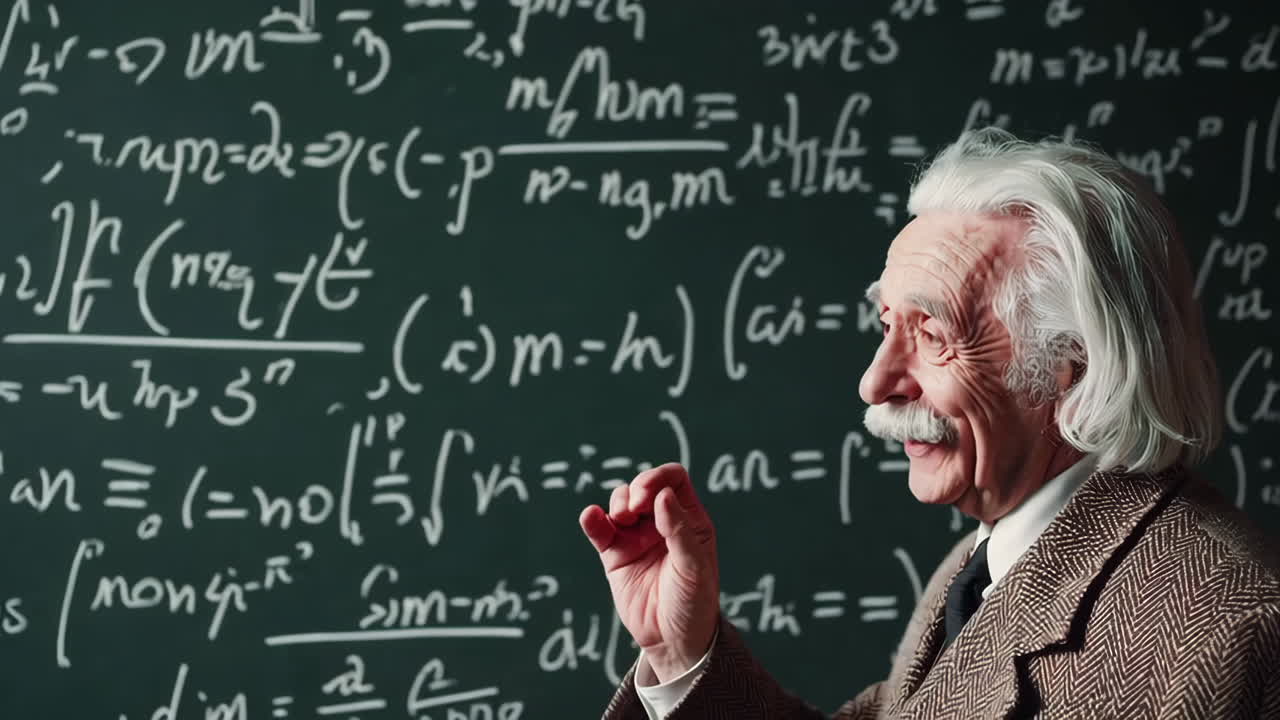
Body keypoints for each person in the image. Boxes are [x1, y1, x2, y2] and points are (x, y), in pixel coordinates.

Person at [578, 127, 1280, 719]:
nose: (874, 382)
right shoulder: (984, 562)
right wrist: (686, 653)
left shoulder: (1227, 625)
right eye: (887, 325)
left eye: (934, 335)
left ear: (1074, 361)